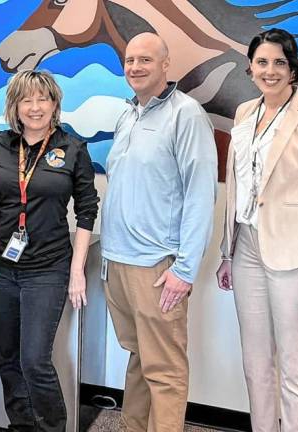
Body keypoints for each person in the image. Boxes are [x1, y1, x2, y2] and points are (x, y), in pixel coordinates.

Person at [100, 32, 217, 431]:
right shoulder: (127, 114)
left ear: (166, 64)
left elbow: (201, 195)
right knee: (138, 357)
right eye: (130, 60)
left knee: (164, 370)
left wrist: (184, 270)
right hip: (118, 261)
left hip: (156, 265)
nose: (135, 67)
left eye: (145, 60)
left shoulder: (186, 115)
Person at [216, 28, 298, 432]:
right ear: (250, 69)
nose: (270, 70)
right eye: (262, 62)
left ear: (293, 69)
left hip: (294, 256)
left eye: (279, 62)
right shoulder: (245, 113)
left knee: (296, 367)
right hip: (246, 247)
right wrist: (227, 254)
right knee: (255, 362)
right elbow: (238, 188)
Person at [0, 69, 99, 432]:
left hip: (48, 270)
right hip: (0, 270)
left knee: (35, 360)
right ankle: (21, 426)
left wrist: (76, 271)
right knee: (8, 359)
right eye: (26, 99)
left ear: (55, 104)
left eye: (42, 99)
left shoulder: (73, 148)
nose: (34, 107)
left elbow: (86, 209)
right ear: (14, 106)